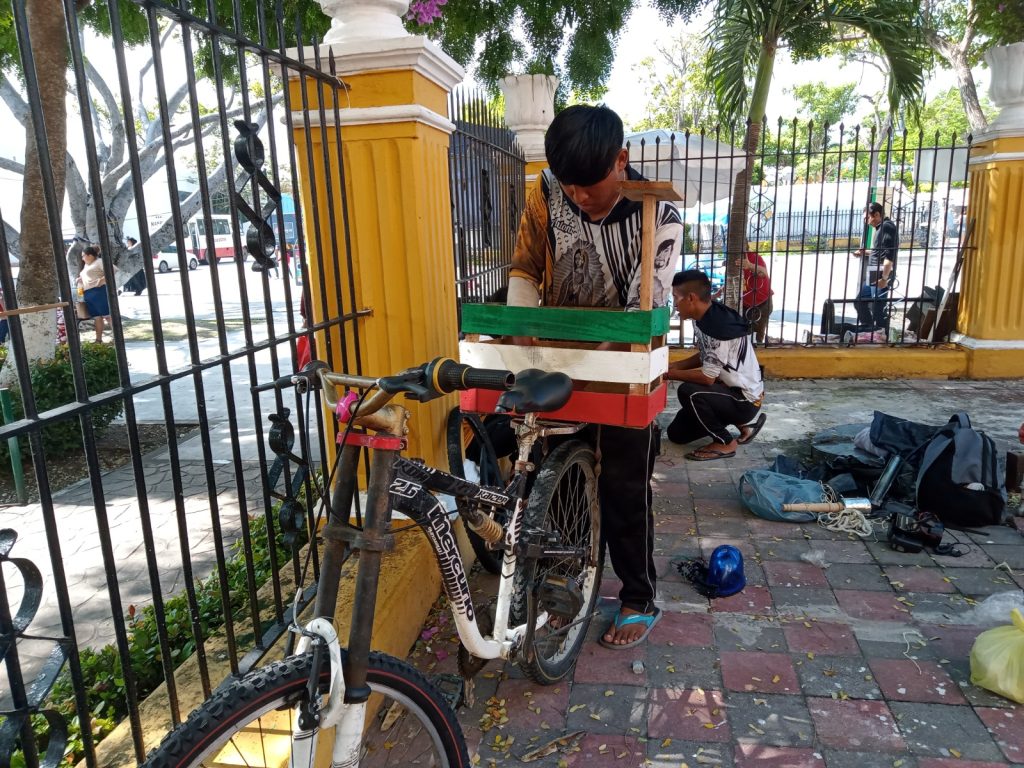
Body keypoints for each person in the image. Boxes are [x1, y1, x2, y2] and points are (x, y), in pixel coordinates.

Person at [506, 104, 683, 648]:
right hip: (556, 363)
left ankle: (638, 596)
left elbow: (641, 309)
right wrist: (522, 339)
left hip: (627, 365)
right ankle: (566, 588)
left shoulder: (660, 217)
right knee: (556, 484)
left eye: (590, 183)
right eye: (570, 185)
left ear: (621, 160)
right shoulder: (544, 195)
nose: (580, 196)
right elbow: (525, 268)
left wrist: (594, 363)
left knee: (626, 486)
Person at [665, 270, 765, 460]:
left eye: (675, 297)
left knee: (689, 391)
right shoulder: (703, 317)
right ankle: (742, 426)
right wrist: (675, 366)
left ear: (691, 298)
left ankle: (726, 442)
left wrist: (666, 374)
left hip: (745, 400)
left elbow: (707, 378)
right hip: (729, 391)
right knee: (676, 434)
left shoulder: (716, 327)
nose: (674, 304)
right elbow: (707, 355)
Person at [852, 202, 898, 330]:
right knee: (860, 301)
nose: (866, 222)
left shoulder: (887, 227)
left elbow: (890, 254)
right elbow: (880, 251)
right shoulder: (880, 227)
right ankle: (870, 328)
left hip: (880, 273)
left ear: (877, 214)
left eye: (867, 218)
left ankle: (881, 333)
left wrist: (884, 278)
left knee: (879, 309)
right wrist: (864, 252)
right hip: (874, 272)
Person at [738, 250, 773, 344]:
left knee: (757, 339)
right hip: (744, 305)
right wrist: (718, 293)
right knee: (744, 338)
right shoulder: (732, 259)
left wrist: (750, 266)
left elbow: (764, 273)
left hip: (762, 304)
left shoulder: (754, 257)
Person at [77, 245, 111, 342]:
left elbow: (112, 271)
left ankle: (118, 337)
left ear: (90, 255)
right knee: (97, 317)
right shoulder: (87, 265)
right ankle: (98, 339)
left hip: (99, 292)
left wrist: (100, 281)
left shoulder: (99, 262)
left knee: (107, 315)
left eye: (83, 256)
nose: (82, 258)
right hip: (88, 293)